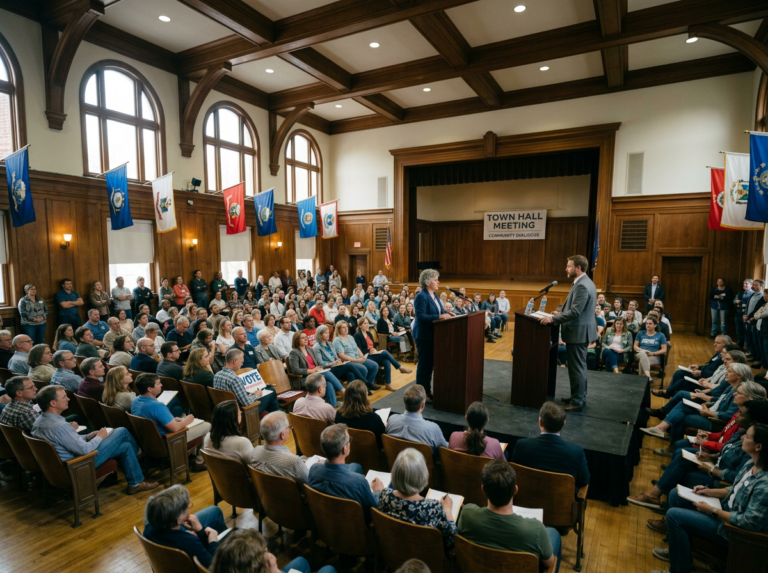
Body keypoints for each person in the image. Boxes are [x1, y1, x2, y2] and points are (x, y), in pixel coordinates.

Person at [652, 422, 768, 573]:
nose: (742, 437)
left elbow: (748, 521)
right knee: (676, 494)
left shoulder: (764, 484)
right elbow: (734, 489)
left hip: (730, 531)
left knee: (674, 516)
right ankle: (679, 554)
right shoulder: (750, 464)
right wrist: (708, 492)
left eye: (747, 436)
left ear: (758, 446)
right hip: (724, 510)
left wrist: (713, 511)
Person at [630, 395, 768, 511]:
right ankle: (658, 492)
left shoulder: (753, 446)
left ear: (753, 421)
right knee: (681, 454)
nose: (736, 416)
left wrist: (711, 471)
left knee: (684, 474)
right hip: (717, 465)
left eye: (741, 414)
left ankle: (661, 498)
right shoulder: (743, 432)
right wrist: (711, 457)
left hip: (720, 480)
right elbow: (727, 449)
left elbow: (737, 477)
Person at [32, 385, 159, 494]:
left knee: (125, 446)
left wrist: (87, 436)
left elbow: (64, 441)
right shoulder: (60, 426)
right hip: (79, 464)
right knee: (121, 431)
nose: (68, 399)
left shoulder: (39, 421)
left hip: (65, 463)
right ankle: (140, 454)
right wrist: (99, 437)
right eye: (64, 397)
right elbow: (85, 450)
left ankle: (135, 484)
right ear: (53, 403)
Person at [457, 460, 560, 573]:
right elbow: (549, 563)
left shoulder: (467, 514)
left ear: (483, 489)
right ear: (515, 490)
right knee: (553, 533)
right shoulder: (536, 529)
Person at [536, 256, 597, 412]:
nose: (566, 269)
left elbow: (576, 311)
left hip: (578, 333)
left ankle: (577, 401)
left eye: (568, 266)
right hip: (579, 332)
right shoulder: (585, 282)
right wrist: (561, 312)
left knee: (577, 368)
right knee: (578, 367)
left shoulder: (582, 285)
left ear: (578, 268)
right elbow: (576, 307)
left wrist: (554, 318)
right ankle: (578, 396)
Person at [643, 362, 751, 446]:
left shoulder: (740, 393)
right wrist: (708, 404)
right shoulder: (731, 386)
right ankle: (662, 430)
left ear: (739, 376)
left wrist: (708, 412)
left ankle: (667, 438)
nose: (726, 373)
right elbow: (719, 401)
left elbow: (728, 415)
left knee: (679, 416)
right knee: (682, 404)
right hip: (710, 411)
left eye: (730, 372)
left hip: (716, 422)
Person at [379, 448, 457, 548]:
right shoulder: (433, 507)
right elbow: (451, 539)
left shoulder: (385, 495)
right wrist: (447, 510)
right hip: (425, 558)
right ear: (422, 475)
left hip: (394, 550)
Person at [132, 373, 210, 470]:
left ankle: (191, 455)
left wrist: (174, 420)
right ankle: (199, 462)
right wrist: (187, 420)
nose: (161, 385)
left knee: (180, 417)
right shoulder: (157, 406)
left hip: (150, 443)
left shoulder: (135, 401)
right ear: (150, 389)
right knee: (207, 425)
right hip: (170, 441)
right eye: (158, 383)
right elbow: (175, 428)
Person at [308, 423, 384, 522]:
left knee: (356, 466)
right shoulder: (359, 482)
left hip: (323, 523)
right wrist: (377, 491)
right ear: (344, 448)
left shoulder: (314, 469)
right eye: (349, 440)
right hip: (355, 529)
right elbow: (374, 511)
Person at [511, 401, 590, 495]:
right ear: (563, 424)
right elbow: (584, 481)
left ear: (540, 422)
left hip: (526, 504)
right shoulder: (576, 452)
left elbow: (513, 476)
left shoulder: (522, 446)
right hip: (561, 508)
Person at [143, 485, 226, 568]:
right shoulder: (191, 542)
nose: (189, 510)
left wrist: (196, 531)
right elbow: (213, 567)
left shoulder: (148, 529)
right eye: (188, 506)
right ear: (178, 520)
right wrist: (213, 542)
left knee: (215, 511)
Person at [412, 269, 451, 400]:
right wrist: (440, 316)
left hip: (433, 335)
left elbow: (440, 311)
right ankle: (421, 394)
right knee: (424, 366)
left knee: (430, 365)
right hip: (424, 336)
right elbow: (421, 316)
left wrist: (449, 314)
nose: (438, 282)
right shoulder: (421, 296)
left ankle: (427, 391)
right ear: (428, 282)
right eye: (435, 279)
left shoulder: (435, 295)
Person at [387, 384, 448, 458]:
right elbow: (445, 450)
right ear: (423, 405)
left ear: (404, 402)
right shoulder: (433, 429)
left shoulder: (392, 420)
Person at [213, 348, 279, 415]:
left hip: (224, 411)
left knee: (266, 389)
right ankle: (276, 418)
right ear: (234, 361)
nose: (242, 364)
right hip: (242, 412)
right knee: (271, 391)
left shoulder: (216, 375)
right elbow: (247, 403)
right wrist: (256, 395)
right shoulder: (235, 379)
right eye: (241, 362)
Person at [250, 411, 311, 484]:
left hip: (264, 494)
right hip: (293, 495)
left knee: (303, 457)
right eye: (289, 427)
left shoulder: (255, 451)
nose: (289, 429)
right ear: (282, 435)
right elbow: (310, 483)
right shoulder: (294, 462)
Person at [288, 331, 344, 406]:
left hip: (316, 373)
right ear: (297, 340)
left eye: (306, 337)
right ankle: (343, 392)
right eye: (302, 338)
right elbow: (295, 370)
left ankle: (332, 406)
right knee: (327, 373)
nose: (305, 339)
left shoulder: (310, 349)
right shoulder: (294, 352)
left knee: (328, 383)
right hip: (305, 378)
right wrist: (311, 371)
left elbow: (317, 363)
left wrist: (321, 367)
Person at [355, 317, 411, 392]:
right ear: (360, 325)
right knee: (384, 352)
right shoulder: (357, 335)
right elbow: (359, 350)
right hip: (365, 356)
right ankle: (400, 368)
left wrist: (374, 350)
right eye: (364, 323)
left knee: (386, 361)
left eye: (367, 323)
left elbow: (373, 345)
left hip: (372, 354)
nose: (367, 325)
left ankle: (388, 383)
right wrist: (369, 351)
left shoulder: (369, 333)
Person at [335, 380, 387, 448]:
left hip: (349, 451)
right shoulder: (374, 419)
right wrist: (384, 426)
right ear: (364, 397)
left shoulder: (338, 414)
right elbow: (381, 442)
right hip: (371, 454)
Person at [333, 320, 379, 391]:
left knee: (374, 365)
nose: (346, 329)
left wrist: (361, 356)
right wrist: (357, 360)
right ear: (339, 329)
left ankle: (368, 385)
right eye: (343, 327)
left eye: (346, 327)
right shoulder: (337, 340)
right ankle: (362, 389)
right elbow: (342, 356)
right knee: (363, 369)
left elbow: (356, 347)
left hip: (358, 358)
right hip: (349, 361)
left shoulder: (350, 337)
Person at [202, 400, 254, 464]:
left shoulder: (208, 437)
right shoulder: (242, 443)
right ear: (235, 418)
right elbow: (253, 465)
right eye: (239, 413)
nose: (240, 413)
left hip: (217, 473)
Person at [634, 316, 667, 383]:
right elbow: (635, 346)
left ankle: (642, 381)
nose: (648, 325)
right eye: (647, 323)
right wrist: (643, 351)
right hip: (639, 354)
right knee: (643, 355)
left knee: (642, 362)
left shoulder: (661, 335)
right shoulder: (640, 333)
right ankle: (648, 377)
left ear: (655, 325)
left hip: (654, 356)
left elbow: (664, 350)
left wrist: (653, 353)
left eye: (650, 323)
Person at [734, 278, 754, 348]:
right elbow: (734, 301)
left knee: (747, 332)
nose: (744, 285)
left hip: (746, 315)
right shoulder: (740, 293)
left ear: (751, 285)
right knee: (739, 332)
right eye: (744, 283)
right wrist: (736, 301)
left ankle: (748, 348)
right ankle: (739, 347)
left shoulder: (753, 294)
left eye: (746, 284)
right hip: (738, 314)